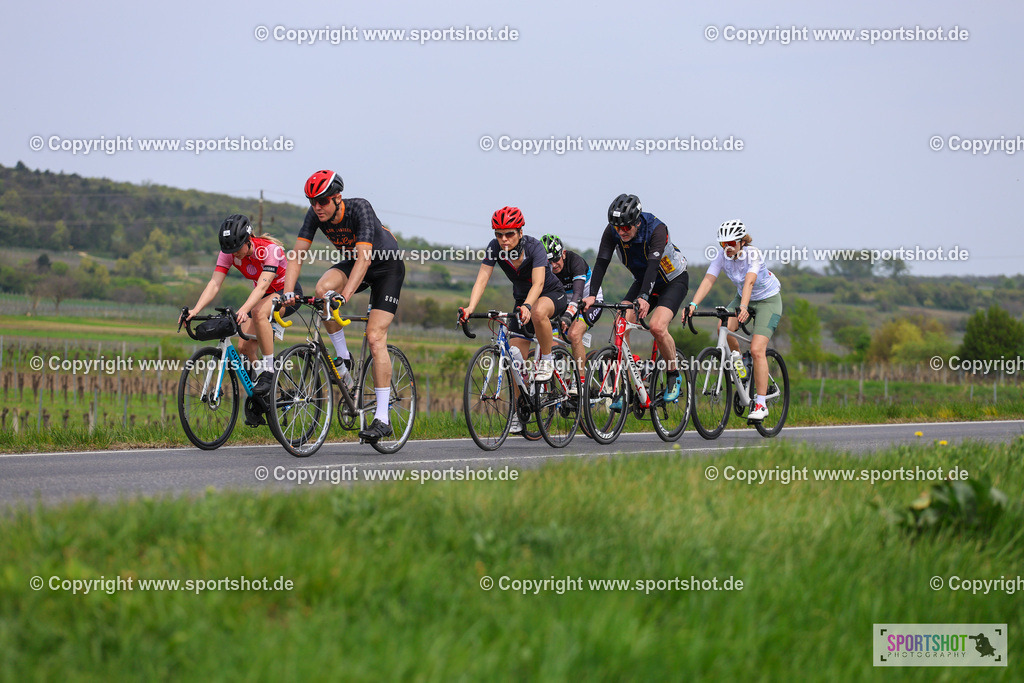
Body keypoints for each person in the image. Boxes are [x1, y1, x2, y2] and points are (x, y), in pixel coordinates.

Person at [280, 170, 405, 443]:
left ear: (337, 198)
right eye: (312, 201)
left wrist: (345, 297)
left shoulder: (360, 208)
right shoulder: (315, 214)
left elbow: (364, 259)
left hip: (385, 267)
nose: (316, 207)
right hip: (356, 264)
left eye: (322, 201)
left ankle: (382, 418)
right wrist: (288, 291)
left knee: (374, 337)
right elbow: (297, 255)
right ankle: (343, 360)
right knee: (322, 290)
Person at [459, 207, 568, 434]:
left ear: (520, 232)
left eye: (509, 234)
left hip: (549, 294)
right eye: (499, 234)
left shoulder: (534, 247)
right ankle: (521, 410)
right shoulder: (494, 248)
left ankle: (547, 360)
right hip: (521, 300)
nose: (504, 240)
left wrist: (528, 305)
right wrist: (470, 307)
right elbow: (482, 279)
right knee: (515, 359)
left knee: (538, 312)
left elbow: (538, 283)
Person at [581, 193, 689, 405]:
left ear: (637, 221)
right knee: (621, 323)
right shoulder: (614, 230)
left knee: (657, 327)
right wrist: (592, 294)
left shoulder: (657, 229)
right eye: (617, 227)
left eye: (626, 228)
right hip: (642, 282)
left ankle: (673, 375)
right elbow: (602, 261)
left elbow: (653, 265)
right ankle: (628, 388)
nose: (621, 232)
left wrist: (644, 297)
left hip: (671, 282)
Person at [182, 214, 299, 396]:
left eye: (237, 248)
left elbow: (262, 287)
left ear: (249, 239)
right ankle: (268, 394)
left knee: (258, 312)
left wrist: (244, 310)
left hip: (286, 292)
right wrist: (195, 310)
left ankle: (269, 372)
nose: (234, 253)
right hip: (262, 296)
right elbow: (214, 283)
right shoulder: (228, 253)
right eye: (230, 250)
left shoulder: (270, 250)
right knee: (244, 348)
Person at [684, 220, 783, 421]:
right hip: (742, 298)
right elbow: (709, 279)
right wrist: (693, 304)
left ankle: (761, 403)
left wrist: (744, 307)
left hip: (767, 300)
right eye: (723, 244)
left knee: (756, 350)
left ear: (741, 242)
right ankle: (738, 362)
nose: (726, 248)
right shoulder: (722, 256)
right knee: (722, 326)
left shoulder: (752, 254)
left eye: (730, 243)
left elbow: (750, 281)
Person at [541, 233, 603, 385]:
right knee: (552, 343)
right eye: (549, 261)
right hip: (562, 302)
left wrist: (569, 315)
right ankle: (563, 382)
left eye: (555, 259)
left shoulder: (575, 262)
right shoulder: (545, 268)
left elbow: (577, 294)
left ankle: (580, 382)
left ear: (563, 253)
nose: (553, 265)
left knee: (574, 334)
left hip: (587, 301)